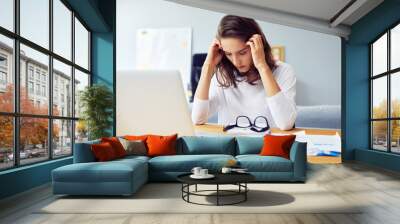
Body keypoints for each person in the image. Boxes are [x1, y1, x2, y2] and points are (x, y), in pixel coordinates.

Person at [191, 15, 297, 131]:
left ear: (257, 45)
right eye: (229, 54)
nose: (236, 62)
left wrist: (262, 67)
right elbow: (198, 119)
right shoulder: (223, 75)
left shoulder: (284, 71)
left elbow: (286, 123)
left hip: (269, 146)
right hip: (234, 146)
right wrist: (208, 67)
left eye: (242, 53)